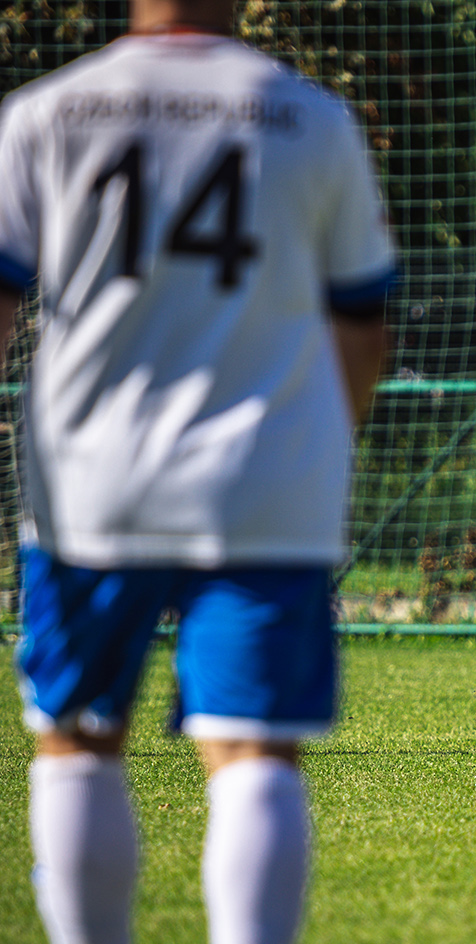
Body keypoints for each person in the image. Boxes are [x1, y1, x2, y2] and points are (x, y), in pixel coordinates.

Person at [0, 2, 397, 941]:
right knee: (255, 749)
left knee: (79, 740)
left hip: (89, 483)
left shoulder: (48, 112)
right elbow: (364, 322)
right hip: (263, 485)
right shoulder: (311, 119)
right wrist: (321, 451)